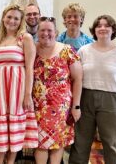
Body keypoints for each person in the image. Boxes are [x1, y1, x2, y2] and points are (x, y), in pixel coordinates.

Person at [69, 15, 116, 164]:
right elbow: (75, 77)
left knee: (111, 143)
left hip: (112, 100)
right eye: (99, 26)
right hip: (85, 97)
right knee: (80, 142)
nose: (103, 28)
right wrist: (76, 102)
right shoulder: (84, 51)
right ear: (94, 30)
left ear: (113, 30)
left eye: (107, 26)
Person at [0, 4, 38, 164]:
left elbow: (30, 67)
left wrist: (27, 94)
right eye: (9, 17)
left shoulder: (25, 38)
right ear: (3, 18)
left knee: (15, 130)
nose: (12, 21)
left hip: (17, 92)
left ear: (21, 21)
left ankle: (10, 162)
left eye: (16, 18)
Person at [32, 17, 82, 164]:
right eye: (42, 30)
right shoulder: (32, 50)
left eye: (50, 30)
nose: (46, 33)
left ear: (56, 32)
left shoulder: (67, 50)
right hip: (37, 105)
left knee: (57, 142)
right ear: (37, 32)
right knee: (40, 143)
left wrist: (76, 106)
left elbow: (78, 79)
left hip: (60, 107)